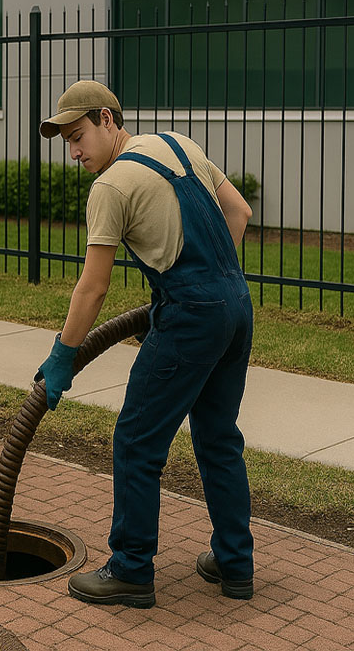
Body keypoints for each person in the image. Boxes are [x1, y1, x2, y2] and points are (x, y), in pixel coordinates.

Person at [36, 80, 255, 609]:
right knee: (218, 437)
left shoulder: (110, 188)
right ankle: (235, 564)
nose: (74, 150)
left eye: (80, 134)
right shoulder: (179, 144)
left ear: (109, 120)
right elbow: (240, 212)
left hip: (191, 317)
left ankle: (131, 569)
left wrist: (63, 356)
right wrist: (209, 288)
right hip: (236, 305)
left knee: (136, 441)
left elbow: (93, 287)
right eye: (66, 140)